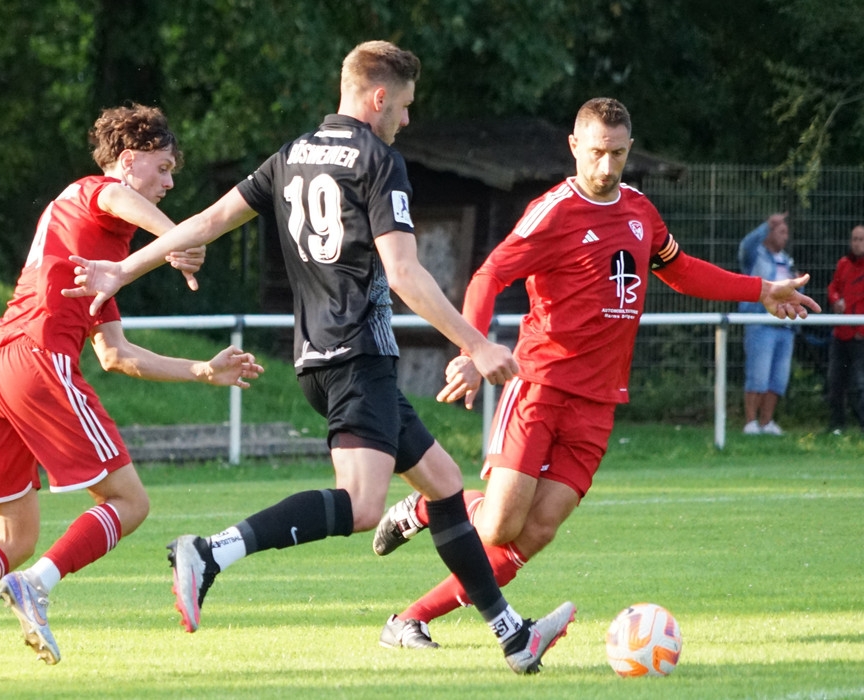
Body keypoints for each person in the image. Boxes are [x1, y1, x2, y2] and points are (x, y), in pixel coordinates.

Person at [64, 40, 575, 675]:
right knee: (361, 506)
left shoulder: (292, 154)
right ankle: (211, 551)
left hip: (322, 358)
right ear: (379, 96)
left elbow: (208, 220)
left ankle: (512, 635)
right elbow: (405, 273)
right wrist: (476, 343)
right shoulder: (379, 161)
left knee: (445, 485)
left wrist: (123, 269)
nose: (407, 119)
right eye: (405, 106)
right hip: (357, 358)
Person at [369, 97, 820, 647]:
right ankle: (426, 505)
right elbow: (490, 275)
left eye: (619, 154)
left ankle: (409, 620)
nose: (607, 167)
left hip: (600, 402)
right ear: (575, 146)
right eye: (598, 153)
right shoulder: (554, 211)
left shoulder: (640, 211)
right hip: (540, 386)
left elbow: (680, 271)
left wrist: (761, 289)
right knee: (497, 526)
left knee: (535, 532)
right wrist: (472, 348)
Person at [0, 103, 264, 681]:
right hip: (37, 360)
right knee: (130, 503)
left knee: (16, 536)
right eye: (163, 168)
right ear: (129, 160)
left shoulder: (100, 256)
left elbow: (116, 355)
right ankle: (37, 586)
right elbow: (115, 197)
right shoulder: (95, 191)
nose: (168, 183)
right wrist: (178, 238)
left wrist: (202, 370)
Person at [738, 212, 799, 435]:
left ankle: (766, 422)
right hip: (760, 323)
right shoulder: (755, 255)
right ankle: (750, 423)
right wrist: (766, 225)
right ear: (769, 233)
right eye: (781, 232)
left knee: (778, 378)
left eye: (786, 233)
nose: (785, 237)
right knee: (758, 375)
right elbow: (745, 245)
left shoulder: (787, 260)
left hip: (785, 326)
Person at [826, 224, 864, 434]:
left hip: (860, 335)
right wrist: (835, 300)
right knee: (836, 381)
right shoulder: (844, 264)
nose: (856, 244)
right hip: (841, 333)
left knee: (859, 384)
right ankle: (837, 425)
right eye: (854, 239)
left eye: (861, 239)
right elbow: (833, 287)